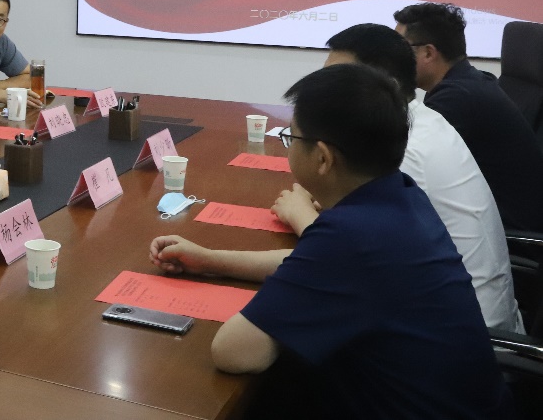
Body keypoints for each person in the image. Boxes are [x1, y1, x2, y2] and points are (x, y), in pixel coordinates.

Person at [149, 63, 512, 419]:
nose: (289, 147)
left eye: (292, 138)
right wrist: (210, 260)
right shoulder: (400, 194)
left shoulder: (351, 236)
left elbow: (235, 352)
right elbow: (312, 266)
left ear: (322, 158)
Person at [270, 23, 522, 333]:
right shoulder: (418, 120)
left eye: (341, 78)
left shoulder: (406, 150)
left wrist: (301, 214)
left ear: (381, 86)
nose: (325, 89)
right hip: (441, 307)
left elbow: (348, 254)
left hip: (467, 333)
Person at [394, 2, 543, 232]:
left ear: (428, 53)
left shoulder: (456, 99)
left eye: (398, 49)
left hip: (512, 236)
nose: (392, 58)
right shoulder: (467, 82)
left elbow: (399, 166)